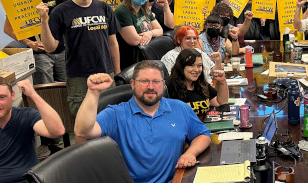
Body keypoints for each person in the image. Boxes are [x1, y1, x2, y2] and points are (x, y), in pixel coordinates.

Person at [74, 63, 211, 183]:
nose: (151, 87)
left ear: (163, 84)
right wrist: (93, 92)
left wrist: (190, 153)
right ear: (133, 84)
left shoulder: (180, 108)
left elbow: (203, 134)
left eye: (156, 82)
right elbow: (83, 131)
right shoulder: (115, 114)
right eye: (144, 81)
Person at [38, 0, 121, 117]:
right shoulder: (61, 11)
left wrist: (117, 72)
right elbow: (50, 47)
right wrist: (44, 20)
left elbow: (113, 42)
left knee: (109, 118)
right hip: (79, 76)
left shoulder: (104, 8)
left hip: (106, 72)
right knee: (84, 121)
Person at [0, 77, 65, 183]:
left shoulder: (26, 116)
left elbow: (57, 131)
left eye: (2, 97)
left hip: (33, 179)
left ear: (12, 96)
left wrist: (33, 94)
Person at [4, 0, 68, 84]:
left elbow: (76, 3)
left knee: (67, 86)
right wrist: (30, 43)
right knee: (46, 89)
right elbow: (7, 29)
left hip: (61, 51)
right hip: (40, 54)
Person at [114, 0, 166, 70]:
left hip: (145, 57)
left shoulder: (144, 8)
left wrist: (150, 33)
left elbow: (160, 30)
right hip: (129, 60)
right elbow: (134, 40)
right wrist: (151, 33)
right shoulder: (122, 11)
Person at [166, 48, 228, 117]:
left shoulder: (200, 83)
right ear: (181, 66)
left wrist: (222, 81)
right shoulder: (169, 86)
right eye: (191, 65)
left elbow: (221, 102)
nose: (196, 69)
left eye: (199, 65)